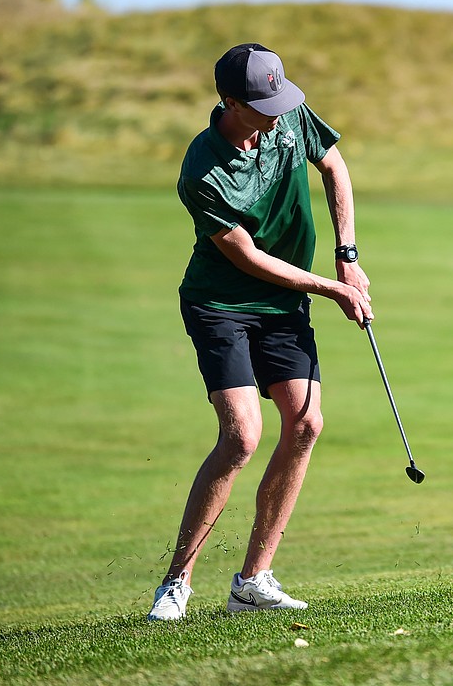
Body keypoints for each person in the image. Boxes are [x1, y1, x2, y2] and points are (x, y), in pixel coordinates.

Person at [148, 43, 373, 620]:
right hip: (221, 303)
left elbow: (334, 164)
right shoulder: (203, 169)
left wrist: (347, 253)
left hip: (284, 303)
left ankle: (253, 580)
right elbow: (244, 257)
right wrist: (330, 287)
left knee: (304, 423)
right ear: (229, 102)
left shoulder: (288, 111)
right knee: (242, 436)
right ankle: (176, 584)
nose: (279, 111)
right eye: (263, 103)